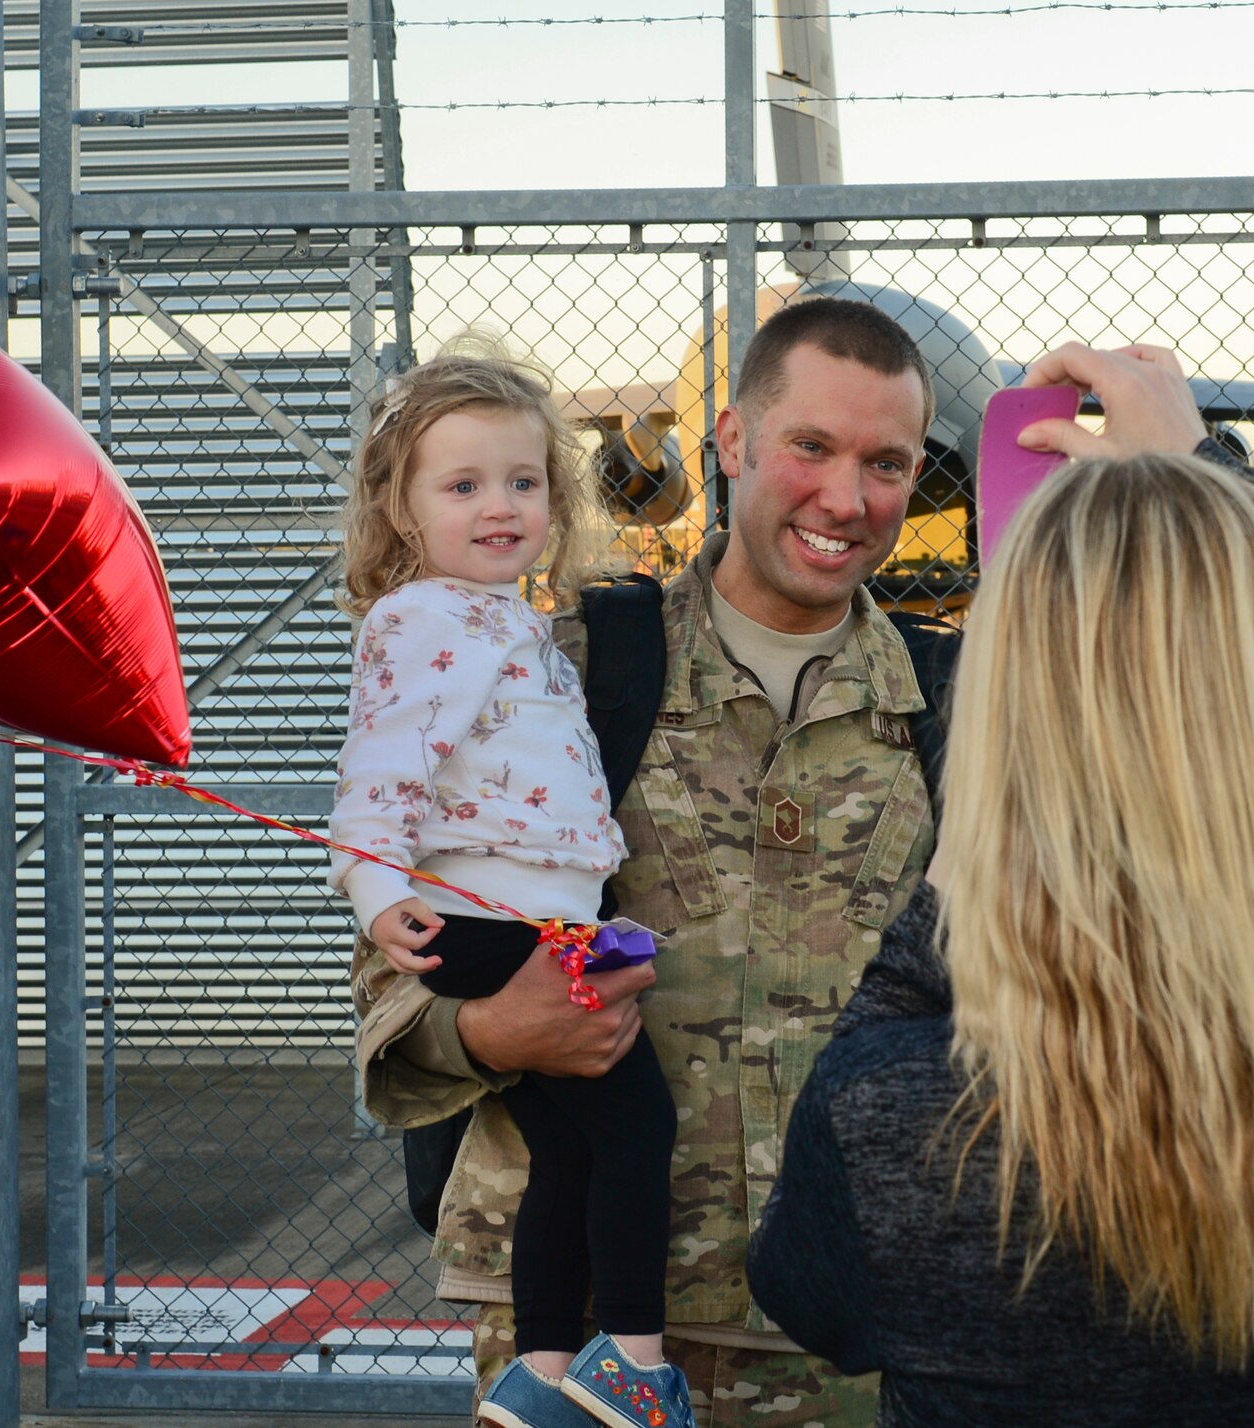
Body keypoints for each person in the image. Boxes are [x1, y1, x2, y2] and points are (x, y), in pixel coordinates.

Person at [746, 342, 1254, 1426]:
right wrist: (1210, 472)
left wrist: (954, 883)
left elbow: (801, 1297)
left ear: (1003, 704)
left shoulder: (885, 1106)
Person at [348, 297, 947, 1427]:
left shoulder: (955, 705)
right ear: (730, 442)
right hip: (568, 1346)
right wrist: (487, 1030)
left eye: (887, 463)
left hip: (843, 1335)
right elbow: (392, 978)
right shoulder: (559, 666)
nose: (846, 498)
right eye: (809, 447)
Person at [328, 342, 693, 1428]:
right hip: (493, 921)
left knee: (570, 1148)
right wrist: (373, 887)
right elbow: (378, 771)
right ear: (401, 509)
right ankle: (630, 1354)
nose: (501, 506)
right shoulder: (428, 621)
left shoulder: (498, 617)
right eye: (464, 484)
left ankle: (539, 1373)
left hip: (529, 917)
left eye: (523, 482)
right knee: (634, 1129)